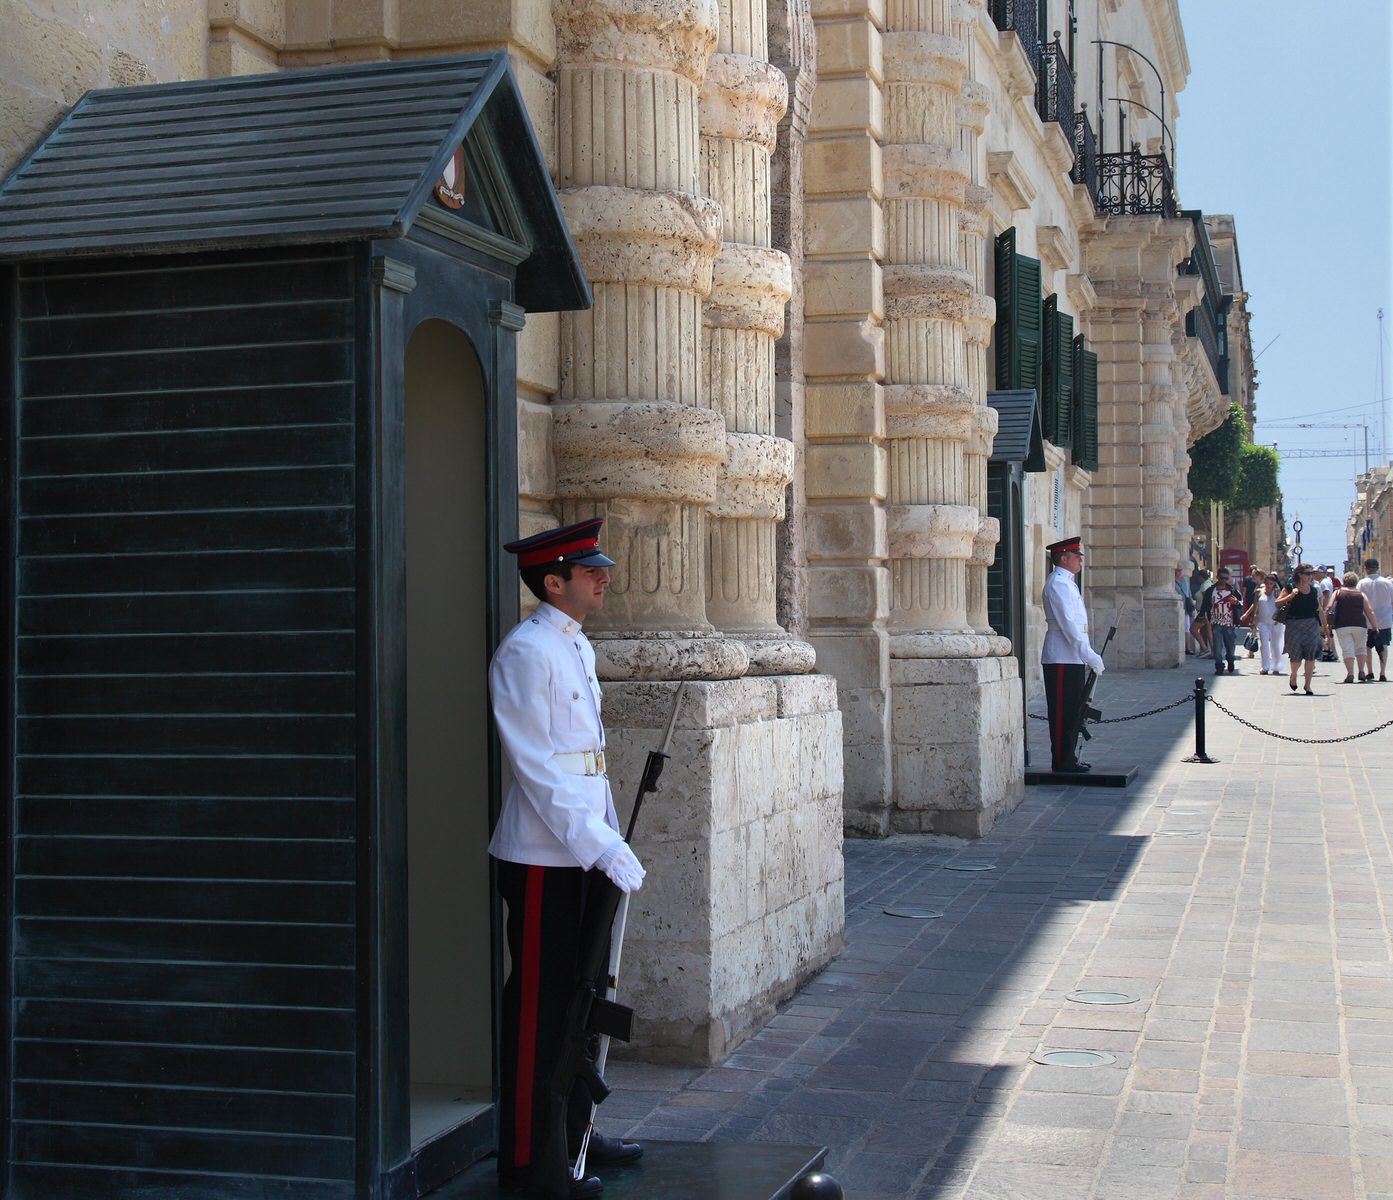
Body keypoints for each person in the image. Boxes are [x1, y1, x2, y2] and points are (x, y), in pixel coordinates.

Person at [489, 517, 645, 1200]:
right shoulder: (526, 653)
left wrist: (605, 841)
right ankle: (531, 1162)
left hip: (580, 851)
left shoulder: (571, 645)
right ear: (552, 583)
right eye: (588, 572)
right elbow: (538, 768)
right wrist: (598, 843)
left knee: (581, 1004)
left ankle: (572, 1137)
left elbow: (588, 766)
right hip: (541, 858)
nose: (601, 578)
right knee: (539, 1012)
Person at [1041, 536, 1105, 774]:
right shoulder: (1058, 583)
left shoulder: (1067, 583)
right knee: (1062, 713)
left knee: (1073, 712)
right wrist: (1089, 655)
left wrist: (1085, 655)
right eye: (1077, 557)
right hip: (1061, 656)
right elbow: (1068, 625)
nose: (1080, 561)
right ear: (1064, 558)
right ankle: (1061, 760)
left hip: (1071, 656)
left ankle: (1068, 757)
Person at [1277, 563, 1325, 695]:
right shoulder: (1290, 587)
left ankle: (1308, 685)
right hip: (1294, 624)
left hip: (1311, 625)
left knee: (1310, 656)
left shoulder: (1314, 590)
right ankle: (1294, 675)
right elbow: (1278, 603)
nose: (1310, 576)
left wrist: (1325, 628)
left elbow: (1319, 610)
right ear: (1299, 574)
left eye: (1311, 573)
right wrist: (1291, 596)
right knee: (1296, 656)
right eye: (1308, 573)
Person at [1328, 570, 1380, 683]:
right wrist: (1375, 626)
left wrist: (1328, 623)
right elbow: (1369, 610)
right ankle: (1361, 671)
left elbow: (1330, 607)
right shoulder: (1361, 594)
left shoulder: (1337, 593)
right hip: (1360, 624)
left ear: (1344, 581)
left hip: (1342, 625)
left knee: (1347, 650)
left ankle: (1350, 674)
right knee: (1361, 648)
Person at [1358, 557, 1393, 682]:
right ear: (1377, 568)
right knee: (1383, 645)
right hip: (1385, 619)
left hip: (1367, 620)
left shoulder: (1361, 583)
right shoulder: (1388, 583)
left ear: (1366, 569)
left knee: (1367, 646)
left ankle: (1370, 671)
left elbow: (1359, 601)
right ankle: (1382, 672)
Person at [1208, 567, 1244, 674]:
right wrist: (1203, 615)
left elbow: (1240, 604)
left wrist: (1236, 602)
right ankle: (1219, 666)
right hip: (1216, 623)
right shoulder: (1211, 590)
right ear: (1217, 577)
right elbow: (1206, 605)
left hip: (1229, 623)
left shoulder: (1233, 591)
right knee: (1217, 647)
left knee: (1230, 646)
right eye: (1221, 578)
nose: (1223, 580)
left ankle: (1230, 660)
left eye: (1226, 578)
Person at [1250, 572, 1286, 675]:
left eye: (1271, 583)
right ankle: (1265, 666)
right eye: (1267, 583)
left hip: (1276, 622)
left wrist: (1278, 618)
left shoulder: (1277, 592)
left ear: (1274, 583)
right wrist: (1253, 619)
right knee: (1264, 644)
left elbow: (1282, 606)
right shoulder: (1259, 592)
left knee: (1275, 645)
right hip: (1263, 622)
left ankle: (1276, 666)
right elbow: (1255, 606)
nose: (1269, 585)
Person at [1191, 569, 1214, 657]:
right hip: (1205, 612)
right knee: (1206, 632)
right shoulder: (1208, 584)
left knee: (1193, 629)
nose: (1197, 579)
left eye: (1198, 577)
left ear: (1201, 577)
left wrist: (1205, 613)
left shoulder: (1205, 586)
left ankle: (1205, 648)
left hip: (1203, 613)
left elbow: (1206, 601)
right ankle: (1208, 650)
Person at [1174, 566, 1196, 654]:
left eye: (1180, 571)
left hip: (1186, 606)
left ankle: (1188, 647)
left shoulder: (1185, 580)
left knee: (1187, 626)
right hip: (1177, 605)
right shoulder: (1172, 581)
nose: (1178, 573)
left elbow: (1189, 592)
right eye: (1176, 571)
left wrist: (1191, 602)